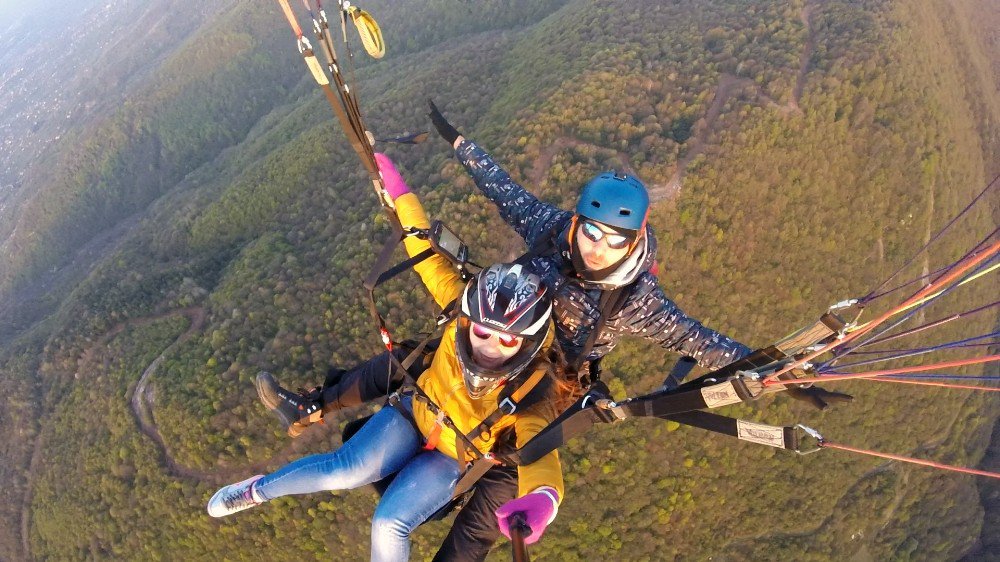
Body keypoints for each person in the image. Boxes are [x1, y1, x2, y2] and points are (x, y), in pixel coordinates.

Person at [257, 105, 850, 560]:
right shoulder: (554, 229)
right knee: (418, 360)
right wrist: (458, 143)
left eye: (610, 239)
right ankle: (310, 404)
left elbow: (702, 342)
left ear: (634, 238)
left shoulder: (634, 300)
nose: (594, 247)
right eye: (591, 231)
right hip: (498, 334)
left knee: (488, 506)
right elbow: (503, 189)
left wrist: (778, 371)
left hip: (545, 388)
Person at [208, 154, 577, 561]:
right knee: (342, 470)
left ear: (527, 343)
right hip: (413, 414)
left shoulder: (533, 390)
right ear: (470, 320)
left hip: (454, 455)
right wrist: (401, 195)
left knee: (388, 524)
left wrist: (544, 499)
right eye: (483, 331)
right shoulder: (460, 312)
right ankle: (256, 490)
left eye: (506, 341)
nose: (488, 346)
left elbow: (541, 453)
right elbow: (425, 252)